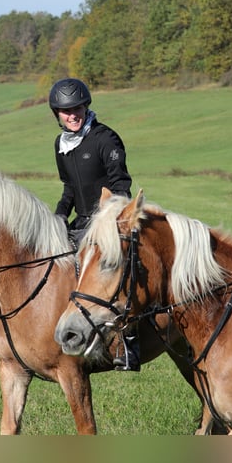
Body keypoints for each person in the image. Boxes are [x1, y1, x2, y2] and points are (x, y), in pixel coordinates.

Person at [48, 77, 138, 371]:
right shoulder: (61, 145)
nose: (73, 115)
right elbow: (69, 191)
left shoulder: (106, 139)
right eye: (66, 111)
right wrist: (59, 215)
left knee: (110, 270)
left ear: (86, 106)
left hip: (109, 220)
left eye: (77, 108)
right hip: (80, 220)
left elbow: (121, 186)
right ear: (57, 114)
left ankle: (127, 342)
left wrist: (106, 220)